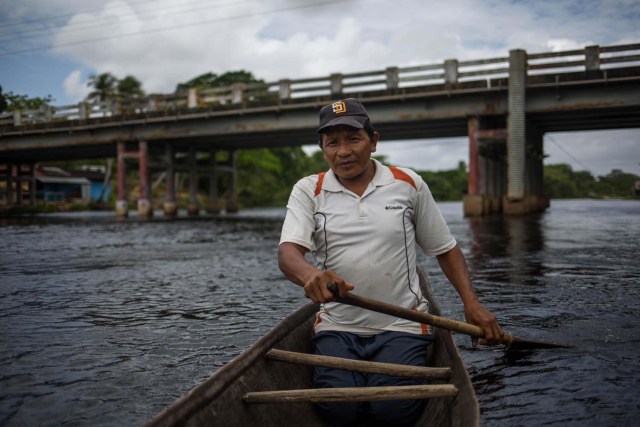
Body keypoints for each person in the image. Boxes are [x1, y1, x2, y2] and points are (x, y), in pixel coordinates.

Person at [278, 98, 503, 426]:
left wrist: (472, 303)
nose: (343, 151)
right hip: (338, 325)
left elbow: (445, 248)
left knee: (393, 411)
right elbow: (288, 253)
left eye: (353, 139)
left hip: (403, 323)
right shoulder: (308, 190)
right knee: (338, 409)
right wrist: (310, 274)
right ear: (323, 148)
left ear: (373, 141)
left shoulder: (408, 183)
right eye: (332, 143)